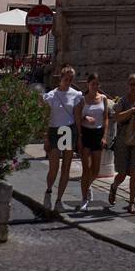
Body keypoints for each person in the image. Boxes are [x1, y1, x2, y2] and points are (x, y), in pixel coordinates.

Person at [42, 65, 82, 212]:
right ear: (61, 78)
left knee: (66, 167)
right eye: (66, 79)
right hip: (55, 130)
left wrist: (79, 137)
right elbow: (46, 117)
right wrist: (45, 137)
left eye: (71, 79)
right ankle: (49, 190)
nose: (68, 82)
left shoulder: (76, 95)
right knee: (54, 167)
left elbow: (77, 116)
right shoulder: (51, 95)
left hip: (68, 130)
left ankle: (59, 200)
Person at [109, 73, 135, 213]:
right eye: (131, 84)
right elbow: (117, 118)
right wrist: (132, 110)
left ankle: (132, 202)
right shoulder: (122, 101)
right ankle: (114, 186)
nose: (133, 87)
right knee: (122, 173)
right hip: (123, 138)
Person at [75, 72, 109, 213]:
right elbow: (77, 118)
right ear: (88, 85)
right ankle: (84, 199)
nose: (95, 86)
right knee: (86, 169)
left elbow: (106, 117)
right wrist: (84, 121)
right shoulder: (82, 100)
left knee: (95, 170)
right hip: (85, 133)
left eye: (97, 84)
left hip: (98, 133)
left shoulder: (103, 99)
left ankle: (87, 185)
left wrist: (104, 136)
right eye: (92, 84)